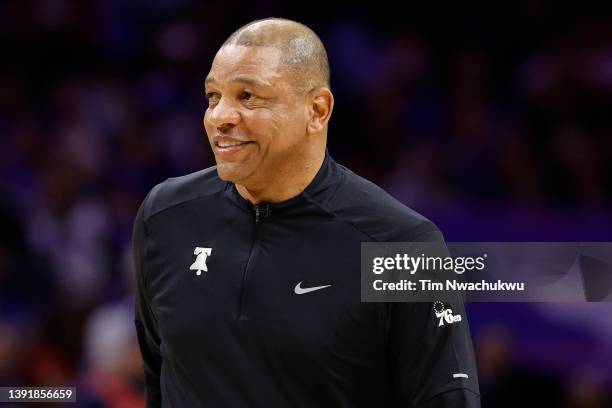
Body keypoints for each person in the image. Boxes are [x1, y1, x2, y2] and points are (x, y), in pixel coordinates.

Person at [133, 17, 480, 407]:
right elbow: (157, 381)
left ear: (317, 109)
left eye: (248, 96)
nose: (220, 117)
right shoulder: (164, 216)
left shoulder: (405, 247)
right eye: (213, 96)